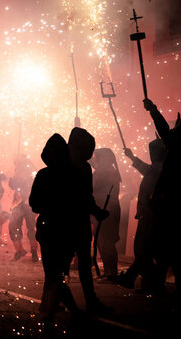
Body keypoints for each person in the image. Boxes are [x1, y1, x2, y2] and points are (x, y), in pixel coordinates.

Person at [29, 134, 81, 321]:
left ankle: (52, 309)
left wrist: (48, 207)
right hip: (68, 229)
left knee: (52, 272)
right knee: (59, 271)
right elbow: (81, 202)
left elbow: (34, 203)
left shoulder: (44, 174)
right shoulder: (75, 173)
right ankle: (51, 305)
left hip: (49, 229)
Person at [67, 127, 112, 314]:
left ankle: (63, 299)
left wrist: (95, 211)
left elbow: (86, 196)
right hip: (72, 222)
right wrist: (96, 211)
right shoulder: (78, 167)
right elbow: (85, 197)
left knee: (80, 264)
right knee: (77, 265)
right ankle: (66, 300)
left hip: (72, 222)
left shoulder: (66, 165)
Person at [115, 138, 166, 291]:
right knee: (146, 250)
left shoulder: (162, 169)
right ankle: (136, 279)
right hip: (149, 215)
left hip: (153, 216)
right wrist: (131, 157)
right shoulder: (157, 168)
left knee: (144, 250)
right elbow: (145, 168)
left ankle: (150, 283)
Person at [144, 99, 181, 304]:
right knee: (166, 248)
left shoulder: (176, 148)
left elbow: (166, 134)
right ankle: (158, 285)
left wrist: (154, 111)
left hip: (173, 204)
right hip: (169, 203)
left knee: (169, 247)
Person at [91, 148, 121, 280]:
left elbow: (93, 187)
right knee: (102, 241)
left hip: (106, 207)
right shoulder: (108, 170)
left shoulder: (104, 171)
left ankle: (111, 273)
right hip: (106, 207)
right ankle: (109, 272)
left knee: (106, 241)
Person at [8, 154, 38, 262]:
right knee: (14, 226)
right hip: (19, 203)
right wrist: (13, 179)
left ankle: (33, 251)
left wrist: (16, 180)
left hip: (28, 203)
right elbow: (13, 185)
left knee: (31, 228)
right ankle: (20, 250)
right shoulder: (19, 171)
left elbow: (27, 184)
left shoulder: (31, 172)